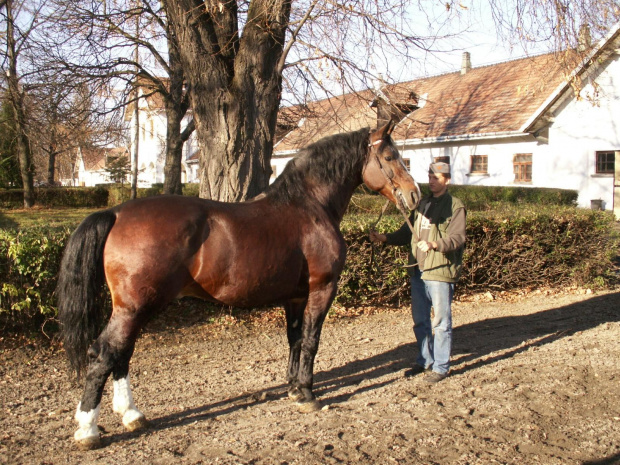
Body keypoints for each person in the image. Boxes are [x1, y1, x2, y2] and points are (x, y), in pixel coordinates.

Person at [369, 162, 466, 383]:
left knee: (441, 323)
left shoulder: (455, 205)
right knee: (420, 321)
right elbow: (407, 232)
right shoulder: (423, 203)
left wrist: (434, 245)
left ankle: (441, 367)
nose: (432, 180)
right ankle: (424, 361)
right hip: (418, 271)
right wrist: (385, 238)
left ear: (447, 180)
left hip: (439, 271)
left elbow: (457, 238)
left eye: (437, 177)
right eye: (430, 176)